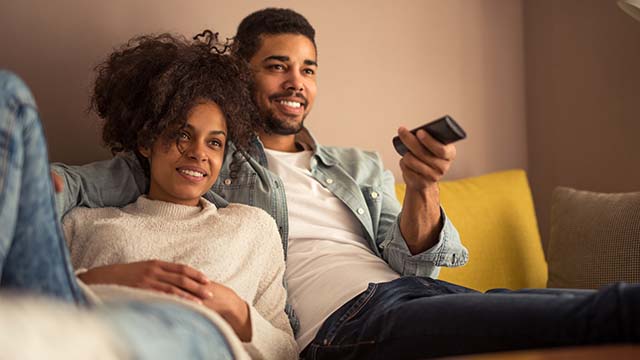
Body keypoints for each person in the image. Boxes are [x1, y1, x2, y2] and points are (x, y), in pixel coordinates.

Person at [51, 8, 640, 360]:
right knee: (599, 314)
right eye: (277, 65)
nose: (295, 81)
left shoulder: (357, 166)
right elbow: (71, 188)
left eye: (307, 68)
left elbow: (416, 265)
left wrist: (422, 187)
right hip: (344, 326)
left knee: (563, 307)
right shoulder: (207, 155)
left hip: (408, 299)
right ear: (241, 70)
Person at [0, 32, 297, 360]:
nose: (199, 153)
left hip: (191, 331)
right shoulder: (84, 222)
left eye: (214, 142)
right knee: (7, 93)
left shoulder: (252, 227)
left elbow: (287, 350)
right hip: (79, 316)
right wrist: (110, 278)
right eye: (183, 135)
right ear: (146, 143)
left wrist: (236, 311)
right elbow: (50, 295)